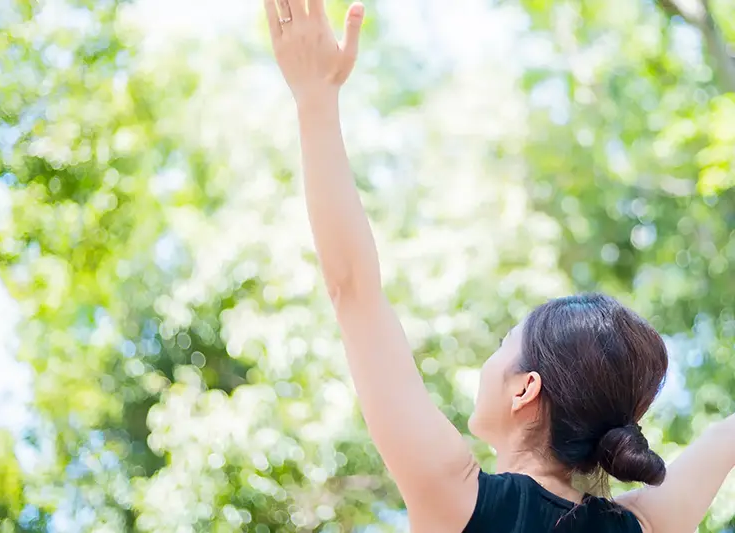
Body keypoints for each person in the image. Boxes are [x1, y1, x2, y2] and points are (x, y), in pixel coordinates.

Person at [262, 1, 735, 531]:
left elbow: (354, 289)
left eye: (503, 344)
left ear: (525, 389)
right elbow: (725, 438)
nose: (488, 360)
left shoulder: (461, 500)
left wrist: (315, 95)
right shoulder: (643, 525)